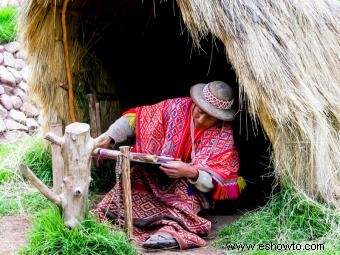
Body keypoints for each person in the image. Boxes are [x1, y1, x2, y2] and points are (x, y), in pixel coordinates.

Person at [91, 81, 244, 250]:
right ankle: (111, 215)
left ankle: (171, 230)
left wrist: (191, 172)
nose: (201, 119)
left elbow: (215, 179)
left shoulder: (223, 133)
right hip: (156, 176)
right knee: (135, 176)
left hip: (190, 186)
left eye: (210, 117)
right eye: (200, 112)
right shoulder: (175, 107)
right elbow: (136, 118)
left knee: (184, 192)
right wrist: (110, 137)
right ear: (196, 103)